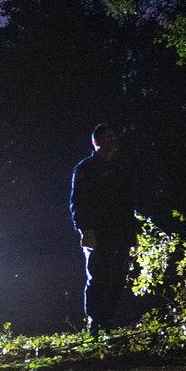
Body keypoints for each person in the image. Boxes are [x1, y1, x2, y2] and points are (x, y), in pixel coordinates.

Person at [69, 123, 138, 334]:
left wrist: (132, 235)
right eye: (107, 138)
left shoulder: (120, 170)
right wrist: (85, 230)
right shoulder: (86, 168)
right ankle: (95, 322)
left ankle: (108, 320)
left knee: (118, 276)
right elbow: (77, 202)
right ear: (96, 142)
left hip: (120, 232)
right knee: (98, 277)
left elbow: (128, 205)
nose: (112, 141)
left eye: (114, 137)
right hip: (97, 232)